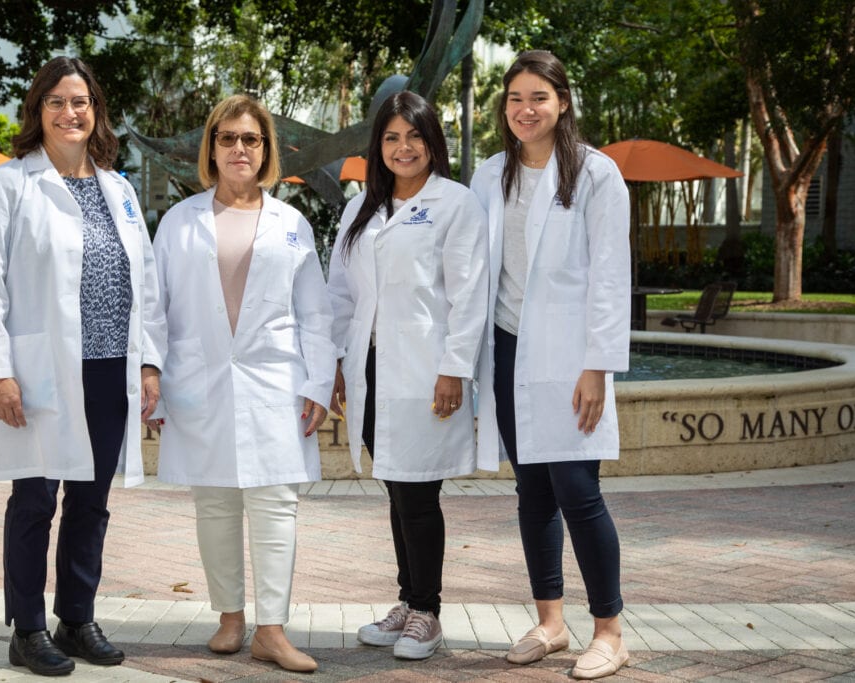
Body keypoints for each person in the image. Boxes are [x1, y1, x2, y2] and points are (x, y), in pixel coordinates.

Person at [0, 56, 166, 676]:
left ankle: (76, 619)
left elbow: (146, 283)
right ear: (38, 110)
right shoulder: (7, 184)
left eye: (80, 102)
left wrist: (149, 363)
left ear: (95, 111)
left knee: (91, 500)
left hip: (108, 368)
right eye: (56, 101)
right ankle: (27, 630)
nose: (69, 112)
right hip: (42, 369)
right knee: (34, 499)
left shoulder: (119, 189)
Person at [148, 94, 335, 674]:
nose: (238, 148)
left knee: (276, 502)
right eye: (226, 137)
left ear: (265, 149)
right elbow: (153, 308)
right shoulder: (179, 222)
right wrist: (151, 371)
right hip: (198, 379)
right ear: (211, 148)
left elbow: (316, 314)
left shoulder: (291, 224)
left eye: (250, 139)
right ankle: (230, 619)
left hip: (275, 381)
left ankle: (271, 631)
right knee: (215, 502)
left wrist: (319, 383)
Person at [470, 50, 632, 680]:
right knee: (532, 491)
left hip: (570, 356)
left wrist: (598, 366)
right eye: (515, 98)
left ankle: (610, 632)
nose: (525, 109)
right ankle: (551, 622)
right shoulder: (491, 174)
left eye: (538, 97)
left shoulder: (596, 174)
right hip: (507, 348)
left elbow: (611, 275)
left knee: (578, 490)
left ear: (562, 102)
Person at [327, 91, 489, 660]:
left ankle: (427, 611)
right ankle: (407, 599)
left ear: (431, 141)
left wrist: (454, 369)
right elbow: (339, 294)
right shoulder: (360, 208)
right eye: (392, 137)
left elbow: (469, 294)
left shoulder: (456, 204)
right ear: (378, 146)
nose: (404, 147)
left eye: (414, 135)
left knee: (418, 492)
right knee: (397, 488)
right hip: (370, 368)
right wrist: (336, 362)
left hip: (426, 369)